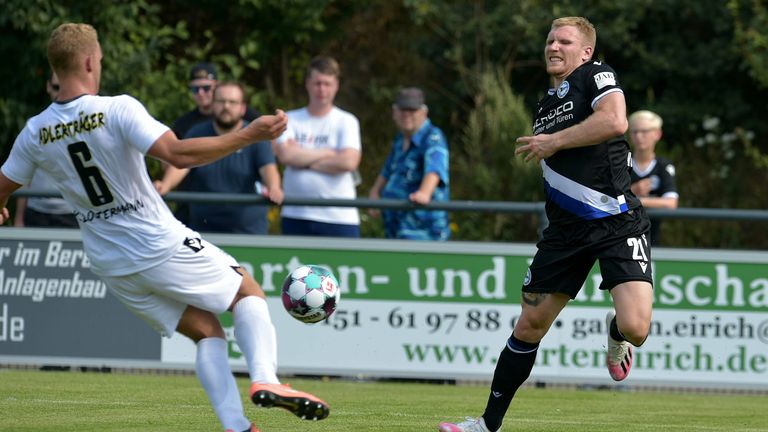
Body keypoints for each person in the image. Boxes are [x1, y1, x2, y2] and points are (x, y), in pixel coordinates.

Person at [0, 23, 328, 432]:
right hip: (154, 241)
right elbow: (177, 154)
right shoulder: (115, 108)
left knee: (207, 330)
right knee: (247, 289)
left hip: (110, 263)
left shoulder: (35, 131)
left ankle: (237, 426)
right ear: (88, 61)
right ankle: (267, 379)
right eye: (98, 58)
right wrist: (247, 135)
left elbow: (4, 184)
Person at [439, 17, 653, 432]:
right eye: (550, 40)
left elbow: (615, 122)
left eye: (565, 41)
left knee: (636, 328)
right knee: (530, 323)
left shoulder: (597, 75)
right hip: (565, 233)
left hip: (617, 222)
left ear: (586, 51)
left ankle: (616, 336)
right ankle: (486, 424)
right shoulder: (545, 105)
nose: (553, 46)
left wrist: (553, 142)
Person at [155, 81, 283, 234]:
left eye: (232, 102)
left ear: (243, 108)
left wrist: (274, 188)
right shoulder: (197, 132)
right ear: (213, 104)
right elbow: (182, 164)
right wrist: (165, 185)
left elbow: (268, 168)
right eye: (221, 101)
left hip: (248, 232)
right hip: (202, 231)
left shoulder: (257, 136)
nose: (226, 107)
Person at [274, 55, 362, 237]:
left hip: (339, 217)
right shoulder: (290, 119)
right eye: (317, 83)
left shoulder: (346, 121)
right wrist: (327, 153)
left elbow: (348, 163)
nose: (322, 89)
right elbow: (285, 156)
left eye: (327, 84)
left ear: (336, 85)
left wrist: (302, 159)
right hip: (295, 215)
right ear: (307, 84)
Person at [170, 62, 258, 224]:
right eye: (196, 89)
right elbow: (173, 160)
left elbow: (265, 152)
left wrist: (273, 186)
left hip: (238, 209)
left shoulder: (247, 119)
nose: (201, 93)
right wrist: (165, 183)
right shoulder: (185, 124)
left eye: (206, 88)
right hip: (193, 204)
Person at [368, 87, 450, 240]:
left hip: (423, 231)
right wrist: (375, 193)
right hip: (396, 227)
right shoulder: (400, 140)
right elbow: (387, 171)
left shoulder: (433, 137)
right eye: (402, 109)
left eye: (412, 110)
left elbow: (435, 169)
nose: (407, 115)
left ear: (424, 112)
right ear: (395, 112)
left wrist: (424, 193)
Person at [13, 71, 78, 228]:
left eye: (63, 88)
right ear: (48, 87)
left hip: (72, 215)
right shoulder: (33, 127)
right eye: (56, 87)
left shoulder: (83, 127)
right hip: (36, 214)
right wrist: (19, 218)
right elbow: (24, 176)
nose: (59, 93)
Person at [628, 110, 678, 246]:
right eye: (634, 131)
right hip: (621, 236)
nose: (639, 136)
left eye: (644, 131)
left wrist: (633, 199)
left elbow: (671, 203)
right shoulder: (621, 164)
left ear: (657, 134)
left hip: (652, 239)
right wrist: (633, 190)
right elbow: (610, 199)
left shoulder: (663, 166)